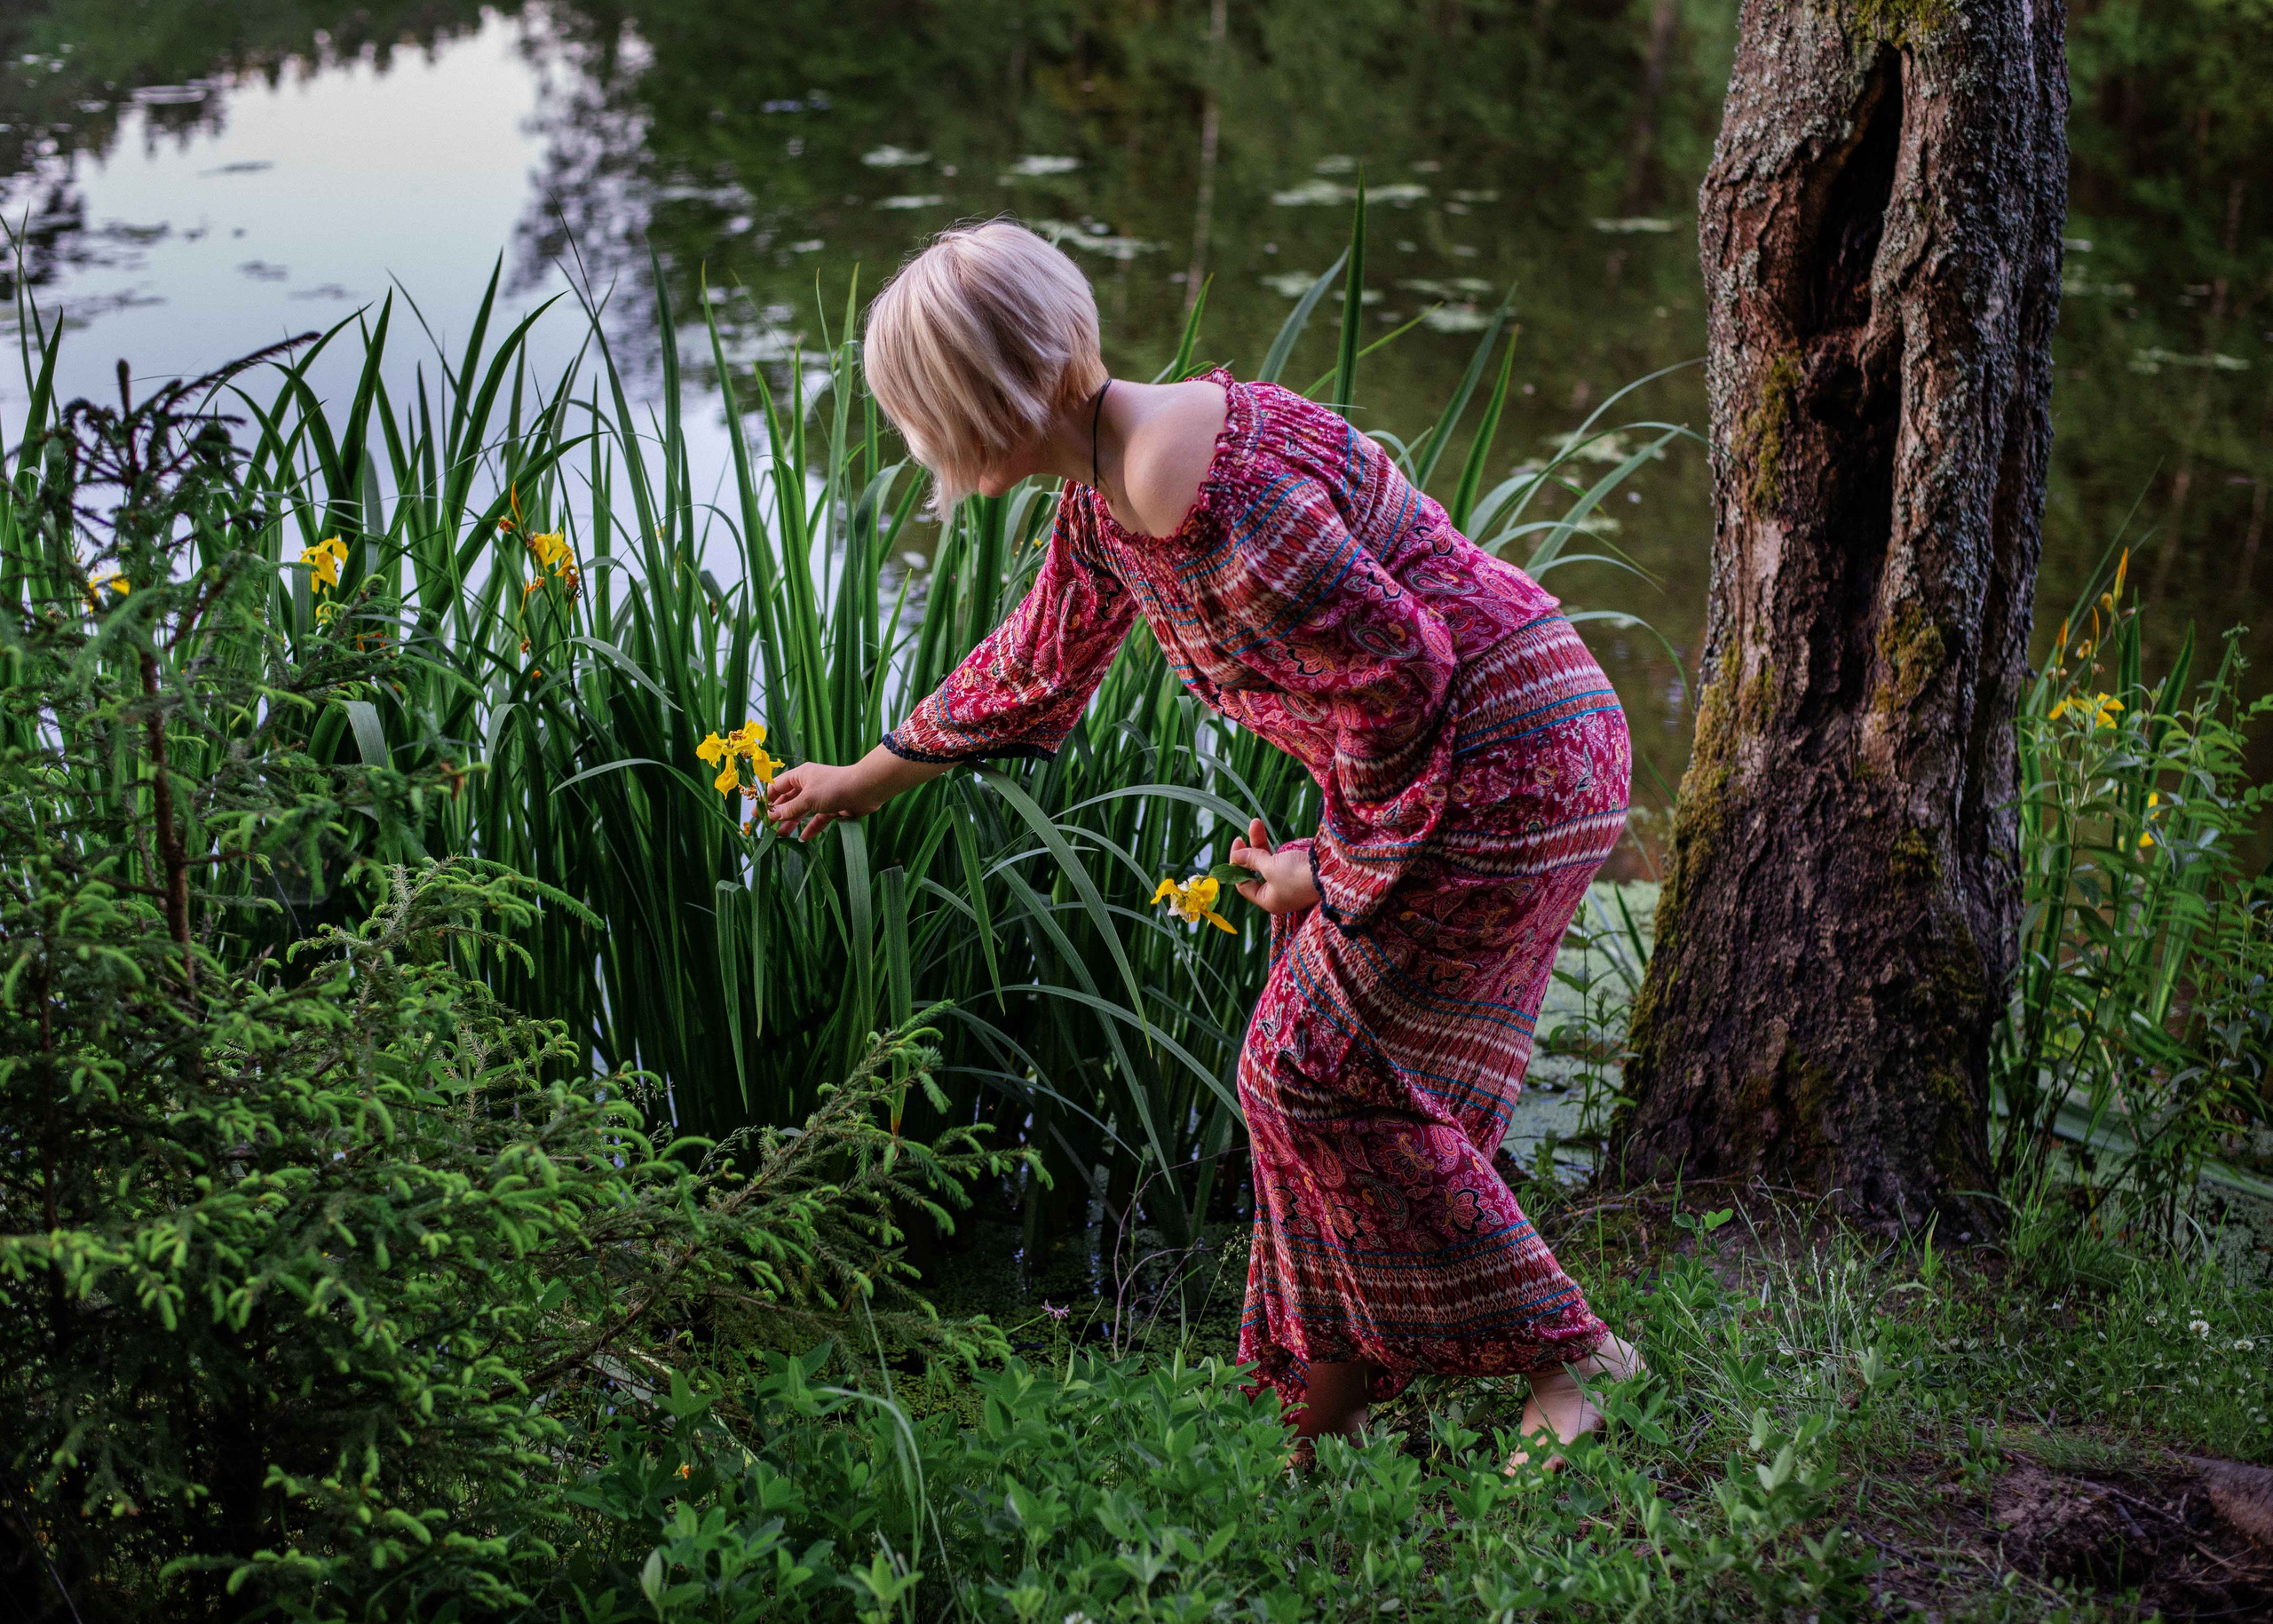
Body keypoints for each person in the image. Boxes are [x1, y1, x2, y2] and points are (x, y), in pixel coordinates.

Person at [763, 220, 1641, 1469]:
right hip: (1492, 753)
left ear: (986, 400)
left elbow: (1405, 675)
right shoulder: (1116, 484)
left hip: (1505, 758)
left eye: (930, 415)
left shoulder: (1195, 488)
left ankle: (1574, 1362)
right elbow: (1035, 658)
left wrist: (1325, 869)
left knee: (1307, 1072)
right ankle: (1327, 1412)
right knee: (1331, 1076)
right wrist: (869, 777)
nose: (931, 452)